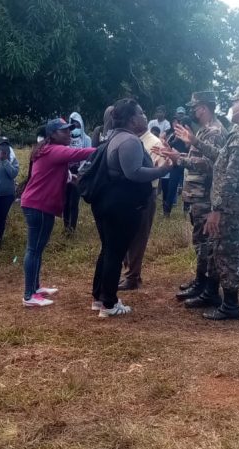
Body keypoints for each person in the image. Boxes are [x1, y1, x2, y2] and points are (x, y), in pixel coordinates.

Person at [187, 88, 239, 320]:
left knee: (226, 254)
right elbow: (222, 156)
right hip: (232, 204)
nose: (231, 106)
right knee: (217, 250)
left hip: (231, 206)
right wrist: (195, 143)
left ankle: (231, 305)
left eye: (235, 102)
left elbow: (232, 177)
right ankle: (212, 293)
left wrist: (217, 209)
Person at [90, 99, 169, 317]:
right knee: (115, 253)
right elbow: (134, 172)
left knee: (108, 250)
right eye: (142, 113)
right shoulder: (130, 141)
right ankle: (109, 304)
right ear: (133, 119)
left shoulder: (113, 137)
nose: (145, 116)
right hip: (122, 205)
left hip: (107, 201)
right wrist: (162, 171)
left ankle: (99, 297)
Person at [157, 91, 227, 305]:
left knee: (206, 244)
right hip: (197, 195)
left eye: (195, 108)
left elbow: (212, 164)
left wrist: (181, 159)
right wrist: (176, 156)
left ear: (204, 108)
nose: (193, 112)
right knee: (201, 242)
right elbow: (198, 158)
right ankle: (200, 282)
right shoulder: (206, 130)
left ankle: (207, 288)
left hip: (205, 196)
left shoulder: (214, 132)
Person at [19, 119, 98, 307]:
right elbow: (81, 153)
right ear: (53, 134)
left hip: (40, 204)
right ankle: (29, 295)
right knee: (33, 249)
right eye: (64, 131)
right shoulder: (54, 150)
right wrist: (104, 149)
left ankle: (35, 287)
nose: (69, 134)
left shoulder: (47, 150)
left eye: (70, 130)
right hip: (38, 205)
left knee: (37, 249)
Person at [118, 123, 166, 291]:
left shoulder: (154, 143)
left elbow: (158, 170)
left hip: (145, 194)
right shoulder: (129, 140)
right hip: (127, 194)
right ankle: (129, 272)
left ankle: (133, 277)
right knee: (125, 235)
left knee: (139, 236)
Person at [63, 112, 92, 233]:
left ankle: (72, 227)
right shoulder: (66, 139)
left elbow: (88, 158)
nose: (75, 127)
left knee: (74, 202)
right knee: (65, 200)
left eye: (77, 124)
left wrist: (81, 173)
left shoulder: (86, 139)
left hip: (79, 173)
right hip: (65, 172)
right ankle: (65, 225)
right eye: (73, 125)